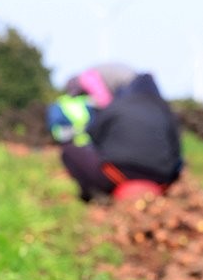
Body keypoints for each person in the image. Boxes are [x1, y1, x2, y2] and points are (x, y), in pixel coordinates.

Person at [59, 73, 183, 202]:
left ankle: (95, 195)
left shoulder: (118, 104)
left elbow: (93, 135)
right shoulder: (167, 112)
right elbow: (177, 154)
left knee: (69, 150)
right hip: (159, 180)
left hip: (115, 174)